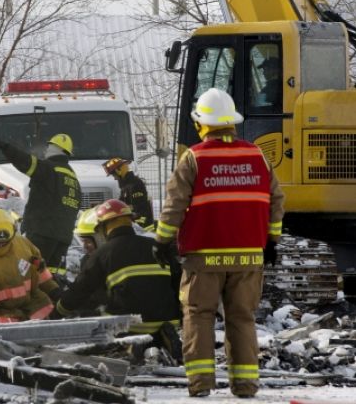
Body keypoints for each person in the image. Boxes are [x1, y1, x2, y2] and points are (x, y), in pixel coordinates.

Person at [153, 87, 285, 398]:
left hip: (204, 257)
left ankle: (201, 386)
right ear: (232, 123)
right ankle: (246, 385)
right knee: (242, 317)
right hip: (249, 257)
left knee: (199, 316)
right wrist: (272, 241)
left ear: (203, 125)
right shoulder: (258, 156)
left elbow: (174, 205)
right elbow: (276, 201)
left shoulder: (194, 158)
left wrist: (161, 241)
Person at [56, 199, 182, 360]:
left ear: (104, 227)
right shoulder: (155, 245)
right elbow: (178, 282)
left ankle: (129, 344)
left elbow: (80, 291)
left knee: (95, 312)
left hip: (131, 325)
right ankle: (157, 341)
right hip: (168, 320)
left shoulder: (103, 253)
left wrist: (58, 310)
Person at [0, 134, 81, 275]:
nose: (46, 150)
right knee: (54, 276)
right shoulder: (73, 178)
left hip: (41, 232)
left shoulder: (48, 168)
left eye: (49, 146)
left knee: (27, 273)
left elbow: (25, 161)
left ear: (56, 149)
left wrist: (6, 147)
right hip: (63, 238)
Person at [0, 208, 59, 323]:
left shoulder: (23, 245)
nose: (1, 246)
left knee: (54, 321)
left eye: (4, 242)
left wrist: (54, 291)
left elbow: (40, 270)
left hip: (33, 304)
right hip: (2, 313)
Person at [102, 157, 154, 230]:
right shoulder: (126, 187)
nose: (114, 178)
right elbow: (120, 204)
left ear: (119, 171)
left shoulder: (135, 185)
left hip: (143, 228)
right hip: (135, 225)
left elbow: (140, 211)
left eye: (114, 175)